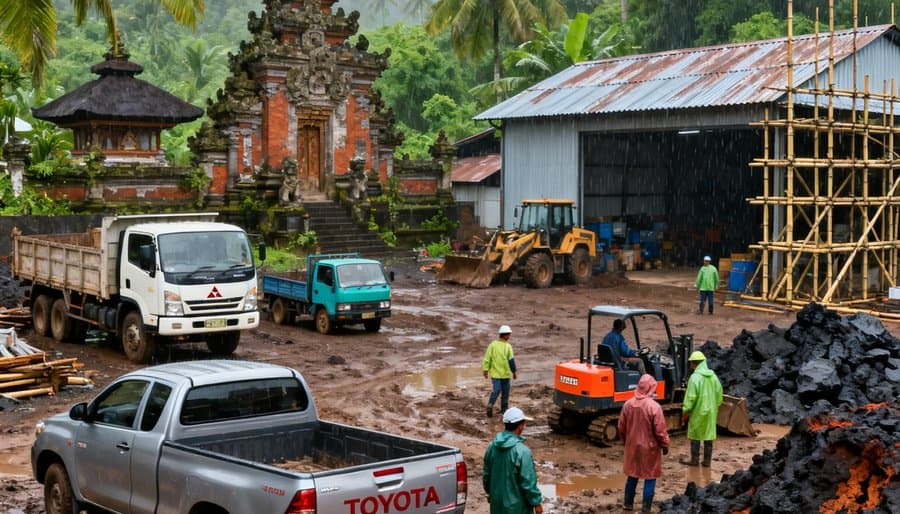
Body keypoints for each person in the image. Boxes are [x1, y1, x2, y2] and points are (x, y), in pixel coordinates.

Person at [618, 374, 671, 512]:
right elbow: (660, 431)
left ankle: (627, 504)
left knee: (632, 475)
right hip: (650, 449)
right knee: (650, 476)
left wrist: (626, 442)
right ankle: (646, 508)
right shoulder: (654, 407)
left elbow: (621, 427)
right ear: (651, 388)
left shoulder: (628, 404)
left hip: (632, 447)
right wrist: (665, 444)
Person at [482, 407, 543, 514]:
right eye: (524, 424)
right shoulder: (523, 452)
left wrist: (490, 493)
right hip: (518, 508)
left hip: (497, 504)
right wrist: (537, 503)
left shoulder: (492, 447)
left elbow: (486, 475)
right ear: (520, 426)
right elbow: (528, 482)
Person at [681, 351, 723, 467]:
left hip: (698, 411)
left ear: (695, 363)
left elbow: (690, 398)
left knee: (695, 435)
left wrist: (686, 410)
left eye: (691, 363)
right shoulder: (713, 377)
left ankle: (694, 460)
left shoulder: (695, 378)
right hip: (711, 411)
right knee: (708, 435)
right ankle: (707, 462)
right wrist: (715, 405)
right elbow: (719, 393)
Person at [483, 325, 517, 418]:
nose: (509, 337)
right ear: (504, 335)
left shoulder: (505, 346)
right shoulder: (495, 345)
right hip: (497, 374)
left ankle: (504, 410)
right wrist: (485, 370)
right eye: (508, 335)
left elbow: (511, 360)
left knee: (503, 392)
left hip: (504, 375)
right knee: (498, 391)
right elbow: (488, 358)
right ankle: (490, 405)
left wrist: (513, 371)